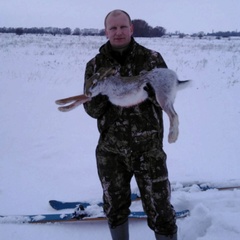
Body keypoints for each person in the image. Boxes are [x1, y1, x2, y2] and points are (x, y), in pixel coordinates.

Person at [83, 9, 178, 240]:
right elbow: (91, 110)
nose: (118, 32)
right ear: (106, 31)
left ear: (131, 28)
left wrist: (151, 94)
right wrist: (106, 93)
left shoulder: (152, 59)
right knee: (115, 209)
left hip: (148, 150)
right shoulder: (95, 66)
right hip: (110, 152)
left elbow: (165, 97)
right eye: (113, 28)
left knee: (161, 211)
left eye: (123, 27)